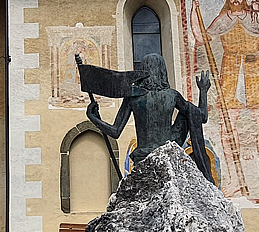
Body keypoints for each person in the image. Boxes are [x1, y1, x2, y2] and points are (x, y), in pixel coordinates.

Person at [188, 0, 259, 196]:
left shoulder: (254, 18)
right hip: (230, 71)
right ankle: (234, 180)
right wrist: (194, 11)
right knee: (227, 129)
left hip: (255, 71)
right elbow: (201, 37)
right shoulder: (223, 20)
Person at [85, 54, 213, 181]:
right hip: (167, 154)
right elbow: (201, 116)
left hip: (142, 157)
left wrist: (94, 118)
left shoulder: (133, 96)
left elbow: (115, 131)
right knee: (189, 113)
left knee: (189, 112)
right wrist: (203, 91)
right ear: (163, 71)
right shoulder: (172, 95)